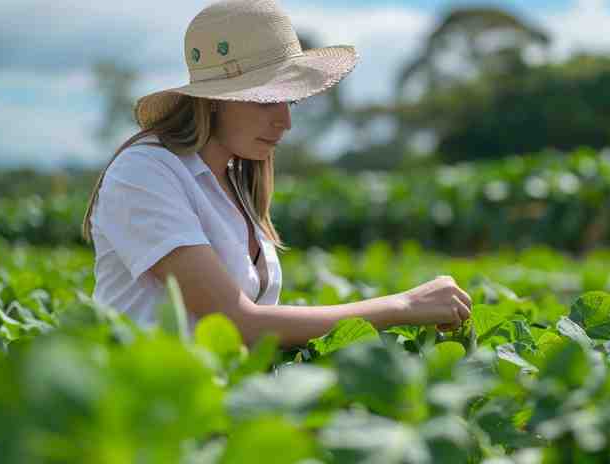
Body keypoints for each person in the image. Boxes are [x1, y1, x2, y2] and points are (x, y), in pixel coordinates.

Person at [81, 0, 472, 350]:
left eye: (290, 100)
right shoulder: (145, 171)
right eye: (267, 98)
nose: (285, 121)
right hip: (147, 408)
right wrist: (404, 305)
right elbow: (237, 323)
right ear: (215, 100)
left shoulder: (234, 181)